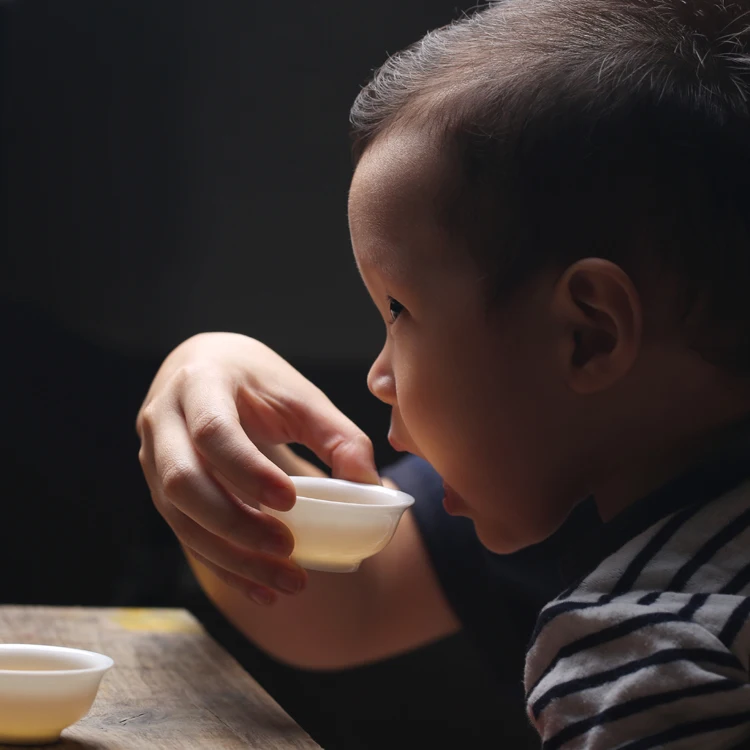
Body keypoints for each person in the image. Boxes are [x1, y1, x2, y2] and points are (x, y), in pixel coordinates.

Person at [139, 0, 750, 745]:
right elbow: (347, 599)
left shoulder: (648, 653)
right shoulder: (616, 494)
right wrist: (204, 372)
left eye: (398, 309)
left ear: (586, 335)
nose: (378, 376)